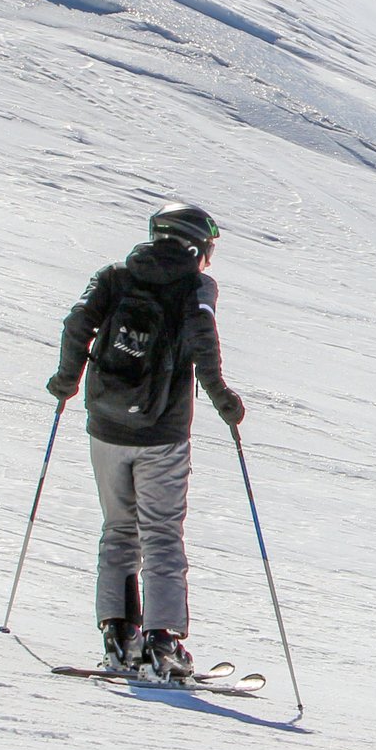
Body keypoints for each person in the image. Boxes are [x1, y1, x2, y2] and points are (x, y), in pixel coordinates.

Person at [47, 202, 244, 682]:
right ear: (197, 245)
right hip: (163, 434)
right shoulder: (195, 287)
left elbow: (77, 324)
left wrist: (66, 382)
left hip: (106, 425)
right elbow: (203, 342)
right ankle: (163, 643)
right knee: (160, 533)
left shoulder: (114, 276)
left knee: (118, 528)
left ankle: (118, 637)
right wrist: (225, 402)